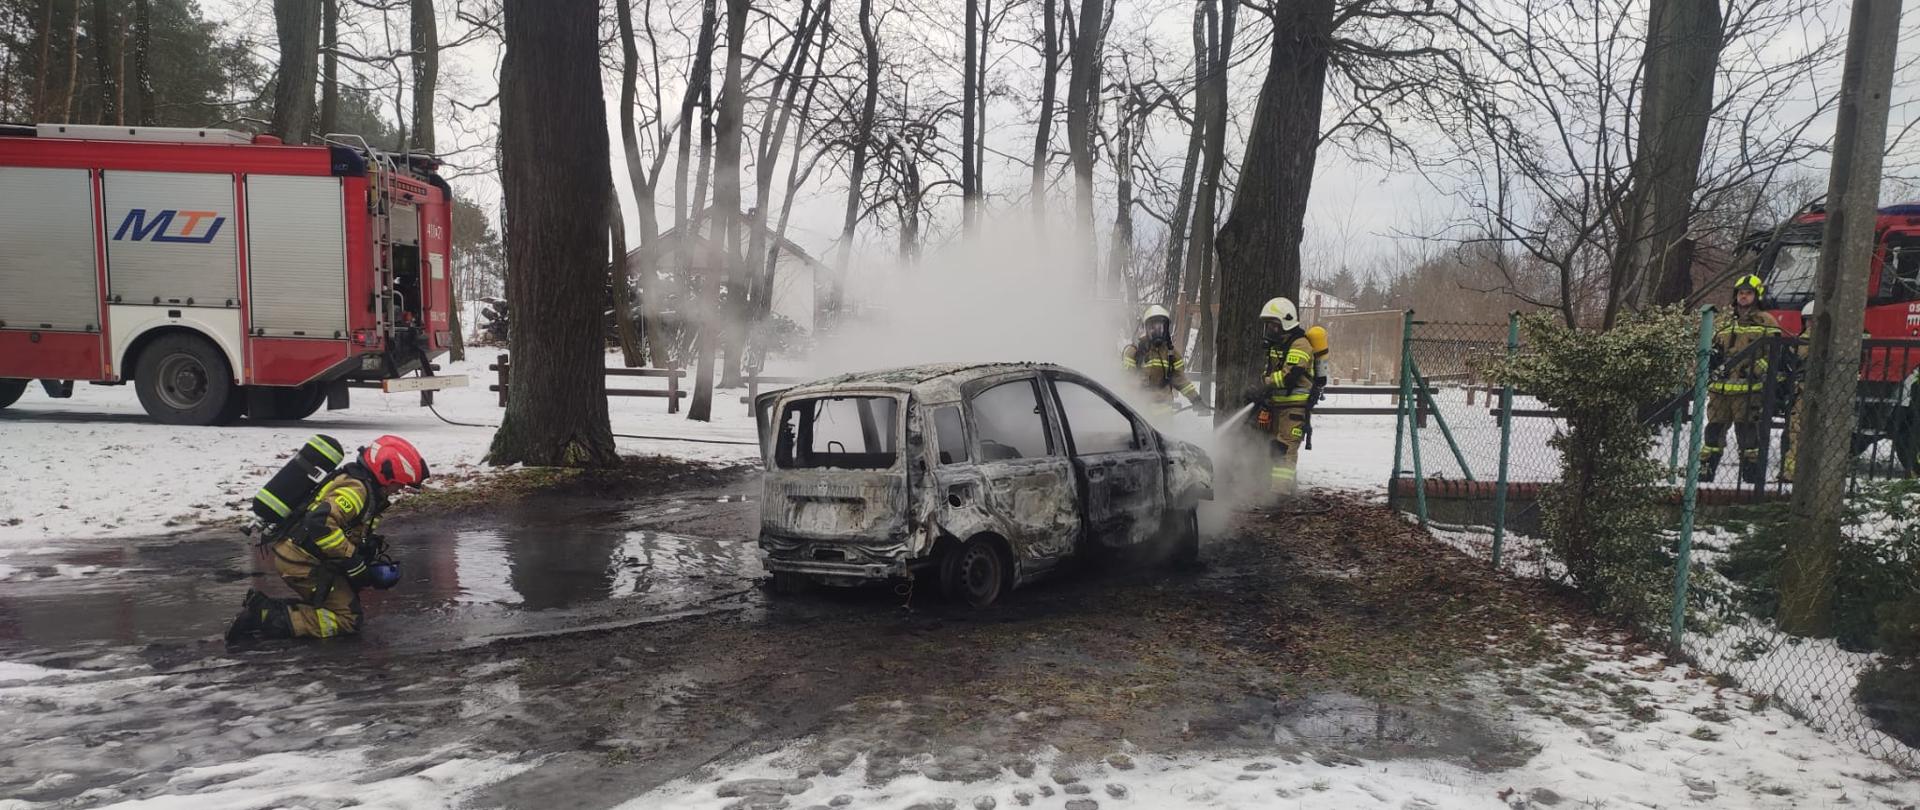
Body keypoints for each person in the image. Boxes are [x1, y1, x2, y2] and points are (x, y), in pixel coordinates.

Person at [226, 435, 428, 642]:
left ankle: (266, 609)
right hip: (300, 561)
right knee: (348, 619)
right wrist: (352, 560)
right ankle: (263, 616)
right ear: (385, 476)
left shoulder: (364, 487)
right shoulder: (357, 491)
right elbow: (320, 523)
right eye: (399, 484)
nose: (400, 489)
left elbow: (344, 528)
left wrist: (364, 553)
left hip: (303, 555)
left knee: (347, 599)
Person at [1702, 274, 1782, 484]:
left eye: (1748, 293)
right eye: (1740, 293)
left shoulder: (1766, 321)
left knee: (1747, 433)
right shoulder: (1725, 320)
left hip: (1748, 392)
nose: (1743, 297)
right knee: (1713, 430)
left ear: (1757, 296)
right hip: (1719, 390)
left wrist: (1756, 368)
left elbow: (1775, 354)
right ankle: (1705, 471)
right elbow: (1712, 348)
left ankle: (1750, 474)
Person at [1244, 297, 1315, 497]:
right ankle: (1275, 490)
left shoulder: (1300, 344)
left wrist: (1264, 385)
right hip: (1278, 407)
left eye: (1273, 325)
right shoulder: (1277, 346)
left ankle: (1280, 496)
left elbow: (1290, 376)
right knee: (1273, 448)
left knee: (1285, 449)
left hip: (1294, 409)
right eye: (1268, 325)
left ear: (1286, 322)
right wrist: (1258, 393)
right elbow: (1272, 373)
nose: (1270, 330)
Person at [1122, 305, 1212, 416]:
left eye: (1160, 327)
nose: (1157, 331)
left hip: (1164, 415)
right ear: (1146, 328)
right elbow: (1126, 380)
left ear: (1165, 328)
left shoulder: (1171, 354)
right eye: (1153, 327)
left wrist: (1195, 399)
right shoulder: (1134, 352)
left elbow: (1181, 381)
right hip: (1139, 414)